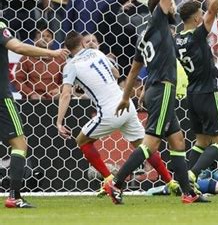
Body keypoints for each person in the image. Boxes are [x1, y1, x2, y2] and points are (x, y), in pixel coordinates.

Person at [104, 0, 207, 204]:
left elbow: (134, 69)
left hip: (152, 89)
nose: (173, 6)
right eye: (170, 3)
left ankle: (187, 193)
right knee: (151, 143)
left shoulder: (146, 34)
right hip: (161, 88)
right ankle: (115, 183)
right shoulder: (160, 21)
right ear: (161, 7)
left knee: (178, 142)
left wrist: (126, 97)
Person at [56, 32, 176, 197]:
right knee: (145, 147)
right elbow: (117, 74)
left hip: (109, 111)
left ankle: (109, 179)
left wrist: (59, 122)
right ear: (83, 43)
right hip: (126, 104)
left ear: (68, 50)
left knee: (82, 140)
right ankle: (170, 182)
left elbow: (65, 94)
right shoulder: (98, 53)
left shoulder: (71, 65)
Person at [1, 21, 69, 208]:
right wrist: (52, 52)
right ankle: (14, 197)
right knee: (19, 144)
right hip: (1, 98)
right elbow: (18, 46)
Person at [175, 0, 218, 187]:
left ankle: (183, 179)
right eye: (201, 13)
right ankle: (192, 174)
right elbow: (214, 10)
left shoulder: (176, 39)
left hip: (192, 94)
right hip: (208, 91)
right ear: (197, 18)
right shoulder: (197, 35)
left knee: (201, 141)